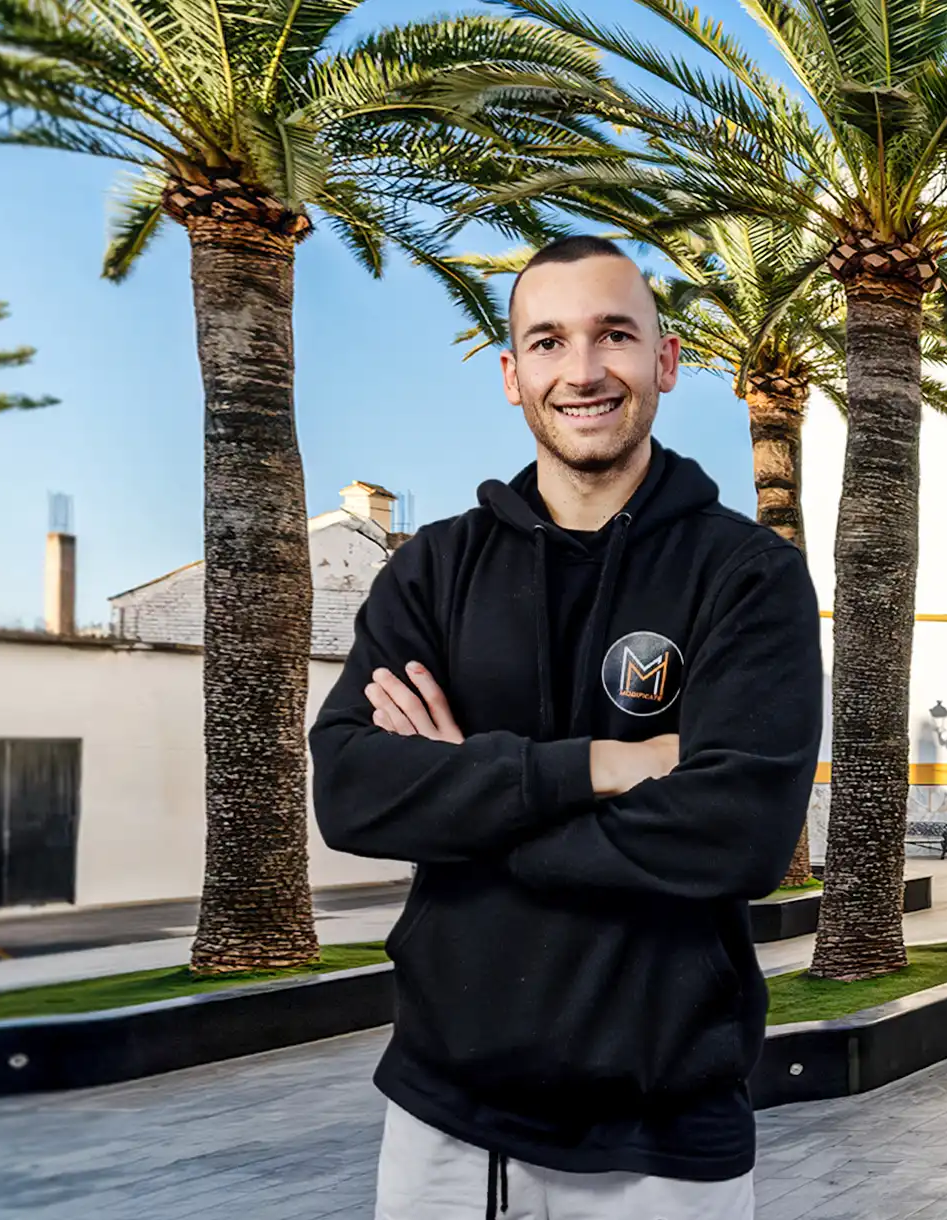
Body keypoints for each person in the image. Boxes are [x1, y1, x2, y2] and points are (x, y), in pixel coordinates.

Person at [311, 235, 823, 1220]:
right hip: (442, 1126)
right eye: (547, 341)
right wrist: (605, 763)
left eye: (613, 335)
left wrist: (467, 797)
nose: (581, 370)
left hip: (663, 1140)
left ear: (665, 362)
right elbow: (350, 788)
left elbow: (738, 830)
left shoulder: (747, 576)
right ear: (512, 375)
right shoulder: (432, 571)